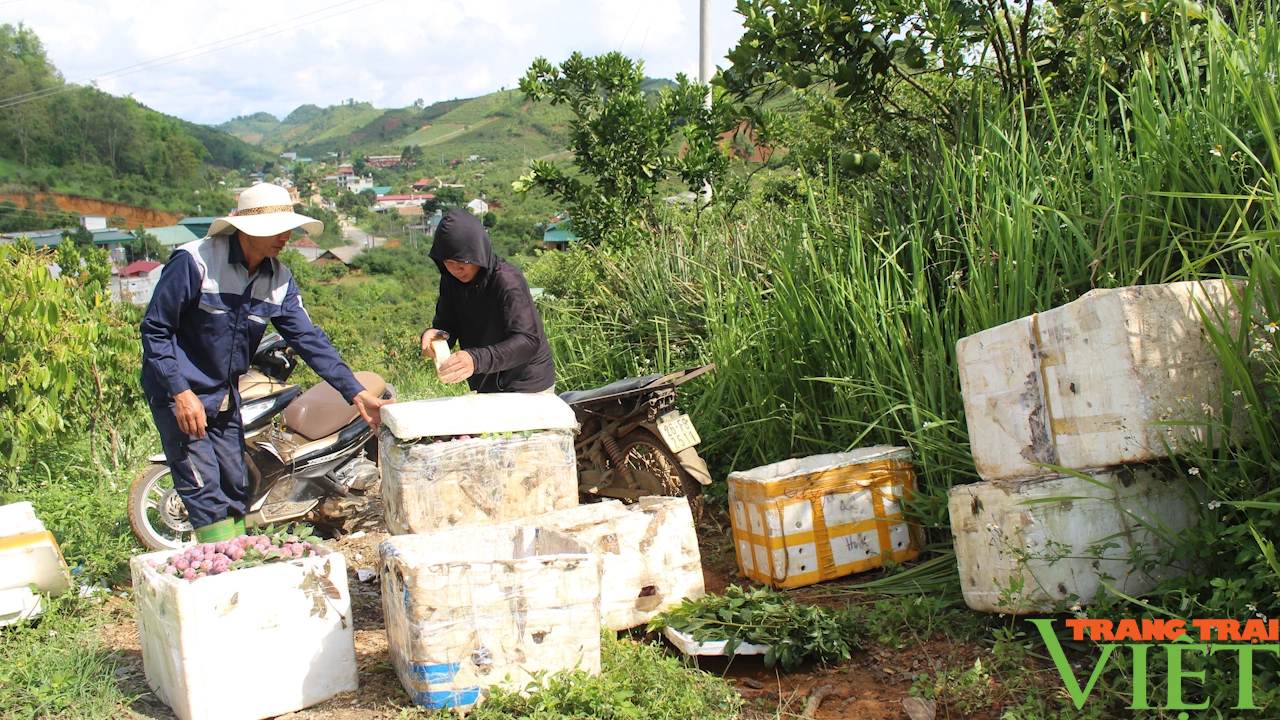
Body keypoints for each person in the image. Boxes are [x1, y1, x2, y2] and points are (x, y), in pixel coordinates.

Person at [140, 183, 391, 543]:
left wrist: (356, 393)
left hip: (224, 394)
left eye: (288, 227)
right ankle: (222, 571)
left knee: (236, 482)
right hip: (178, 391)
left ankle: (236, 557)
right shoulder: (194, 263)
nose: (286, 237)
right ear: (246, 229)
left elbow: (308, 339)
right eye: (276, 229)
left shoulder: (278, 279)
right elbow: (155, 331)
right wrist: (180, 393)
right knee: (203, 485)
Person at [420, 208, 555, 393]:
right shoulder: (450, 280)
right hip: (487, 382)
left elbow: (528, 341)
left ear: (477, 253)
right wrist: (436, 337)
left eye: (462, 262)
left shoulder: (507, 280)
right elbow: (447, 325)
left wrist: (475, 360)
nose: (456, 270)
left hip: (528, 383)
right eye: (449, 263)